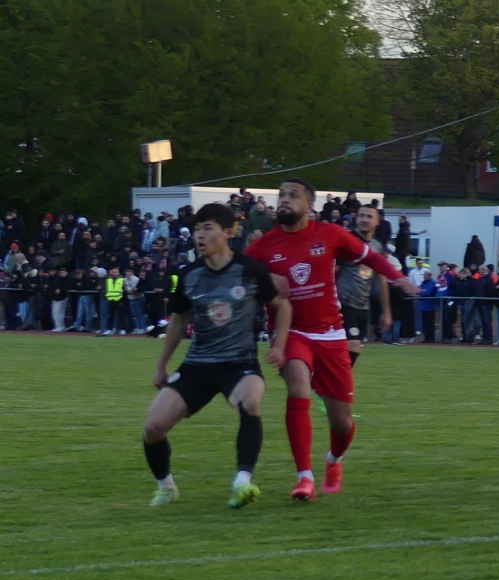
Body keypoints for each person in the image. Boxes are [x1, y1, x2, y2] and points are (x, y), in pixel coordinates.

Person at [246, 179, 414, 501]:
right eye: (281, 195)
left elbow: (370, 257)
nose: (284, 199)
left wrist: (399, 278)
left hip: (331, 334)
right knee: (299, 388)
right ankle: (304, 478)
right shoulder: (262, 246)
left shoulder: (330, 234)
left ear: (309, 205)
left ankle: (333, 460)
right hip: (291, 332)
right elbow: (238, 274)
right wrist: (265, 278)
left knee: (342, 423)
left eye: (293, 195)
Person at [142, 204, 292, 508]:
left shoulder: (249, 270)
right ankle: (166, 488)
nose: (200, 235)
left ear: (228, 233)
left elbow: (283, 306)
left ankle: (242, 481)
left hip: (239, 364)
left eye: (208, 228)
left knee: (251, 401)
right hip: (198, 365)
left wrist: (278, 346)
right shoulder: (189, 275)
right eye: (198, 229)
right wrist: (161, 366)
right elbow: (178, 320)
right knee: (152, 428)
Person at [337, 203, 392, 367]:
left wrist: (386, 311)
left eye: (369, 216)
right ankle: (337, 380)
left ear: (377, 221)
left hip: (363, 305)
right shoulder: (346, 241)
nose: (365, 220)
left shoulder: (376, 246)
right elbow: (332, 269)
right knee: (353, 346)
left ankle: (331, 379)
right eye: (362, 216)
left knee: (354, 348)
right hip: (344, 301)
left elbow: (380, 278)